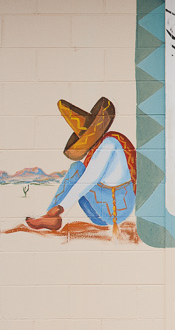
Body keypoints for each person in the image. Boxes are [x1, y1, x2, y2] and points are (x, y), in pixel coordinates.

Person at [26, 97, 137, 232]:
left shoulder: (109, 144)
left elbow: (89, 178)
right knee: (78, 169)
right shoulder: (102, 145)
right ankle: (51, 216)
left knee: (77, 169)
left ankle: (52, 215)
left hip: (114, 210)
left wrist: (60, 207)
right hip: (103, 210)